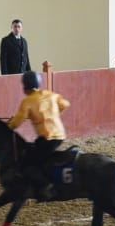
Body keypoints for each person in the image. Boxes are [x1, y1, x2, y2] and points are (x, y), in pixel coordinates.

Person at [8, 69, 70, 201]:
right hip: (60, 135)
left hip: (47, 137)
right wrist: (53, 114)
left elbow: (16, 122)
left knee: (29, 162)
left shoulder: (28, 101)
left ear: (25, 86)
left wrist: (7, 127)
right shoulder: (50, 94)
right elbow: (65, 104)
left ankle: (45, 186)